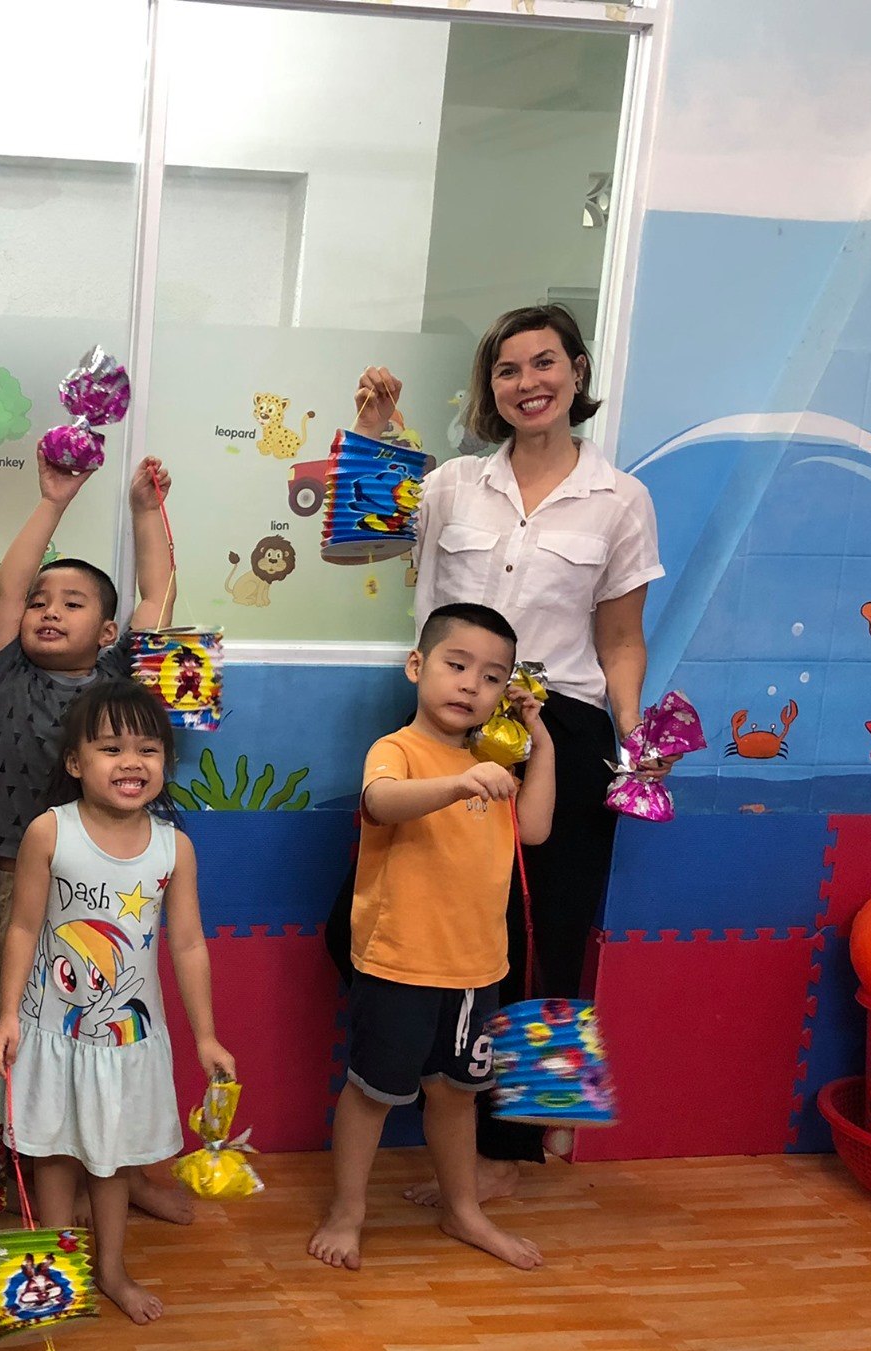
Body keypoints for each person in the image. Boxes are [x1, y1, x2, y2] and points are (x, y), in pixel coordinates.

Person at [346, 304, 666, 1205]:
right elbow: (353, 547)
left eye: (545, 363)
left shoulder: (622, 497)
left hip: (562, 729)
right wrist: (372, 435)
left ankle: (515, 1151)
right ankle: (438, 1114)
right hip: (446, 730)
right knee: (386, 920)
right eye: (507, 369)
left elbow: (621, 639)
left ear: (576, 372)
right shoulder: (449, 483)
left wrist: (635, 736)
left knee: (549, 941)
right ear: (489, 386)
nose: (528, 383)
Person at [0, 451, 194, 1223]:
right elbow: (9, 587)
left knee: (112, 1030)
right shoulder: (7, 674)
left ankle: (120, 1171)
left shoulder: (122, 683)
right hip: (30, 880)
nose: (47, 610)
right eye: (41, 602)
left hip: (120, 884)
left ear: (104, 631)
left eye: (71, 603)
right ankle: (54, 1173)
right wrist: (54, 500)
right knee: (42, 1033)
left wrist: (143, 511)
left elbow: (157, 596)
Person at [308, 604, 554, 1273]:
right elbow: (379, 802)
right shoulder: (397, 749)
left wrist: (540, 739)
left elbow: (533, 830)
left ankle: (463, 1209)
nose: (472, 684)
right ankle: (348, 1212)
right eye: (457, 665)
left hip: (477, 969)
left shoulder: (496, 760)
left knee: (457, 1094)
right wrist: (457, 783)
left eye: (493, 677)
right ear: (418, 666)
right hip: (400, 964)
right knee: (372, 1094)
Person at [0, 679, 236, 1324]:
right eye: (111, 748)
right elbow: (23, 928)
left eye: (148, 750)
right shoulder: (50, 831)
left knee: (113, 1157)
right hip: (51, 1032)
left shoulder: (174, 847)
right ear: (76, 763)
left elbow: (188, 944)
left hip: (127, 1041)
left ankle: (113, 1269)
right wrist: (9, 1014)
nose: (132, 762)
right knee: (51, 1152)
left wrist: (206, 1036)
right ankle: (57, 1272)